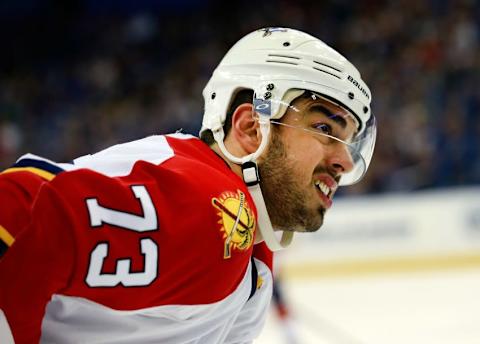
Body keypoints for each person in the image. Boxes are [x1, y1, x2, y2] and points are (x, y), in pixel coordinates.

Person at [0, 27, 376, 343]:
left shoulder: (251, 253)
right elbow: (17, 210)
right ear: (250, 128)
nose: (344, 161)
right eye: (324, 129)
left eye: (349, 142)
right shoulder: (213, 207)